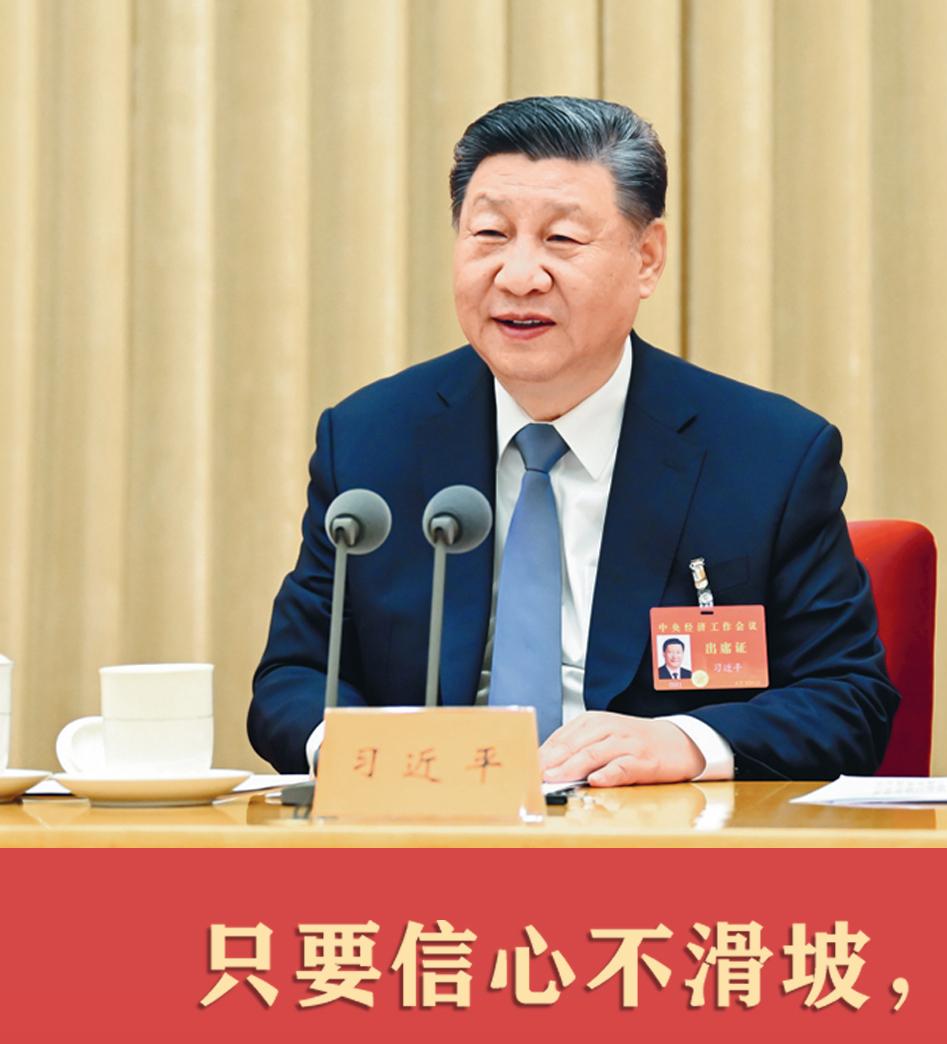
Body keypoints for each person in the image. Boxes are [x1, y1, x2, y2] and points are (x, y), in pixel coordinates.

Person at [249, 96, 898, 782]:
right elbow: (293, 677)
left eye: (561, 240)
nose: (519, 276)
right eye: (490, 234)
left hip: (656, 830)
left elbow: (849, 698)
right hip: (433, 818)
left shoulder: (767, 455)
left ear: (647, 258)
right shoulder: (369, 440)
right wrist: (365, 758)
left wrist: (685, 742)